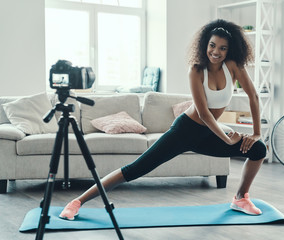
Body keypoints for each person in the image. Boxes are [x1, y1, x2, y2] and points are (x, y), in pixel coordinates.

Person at [59, 19, 267, 220]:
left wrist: (256, 133)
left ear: (229, 50)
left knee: (258, 150)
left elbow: (254, 96)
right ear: (205, 44)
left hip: (208, 133)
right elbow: (204, 113)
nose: (216, 52)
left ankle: (240, 198)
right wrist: (228, 138)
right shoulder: (196, 70)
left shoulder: (232, 66)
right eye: (212, 45)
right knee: (135, 170)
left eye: (222, 48)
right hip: (185, 131)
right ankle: (77, 202)